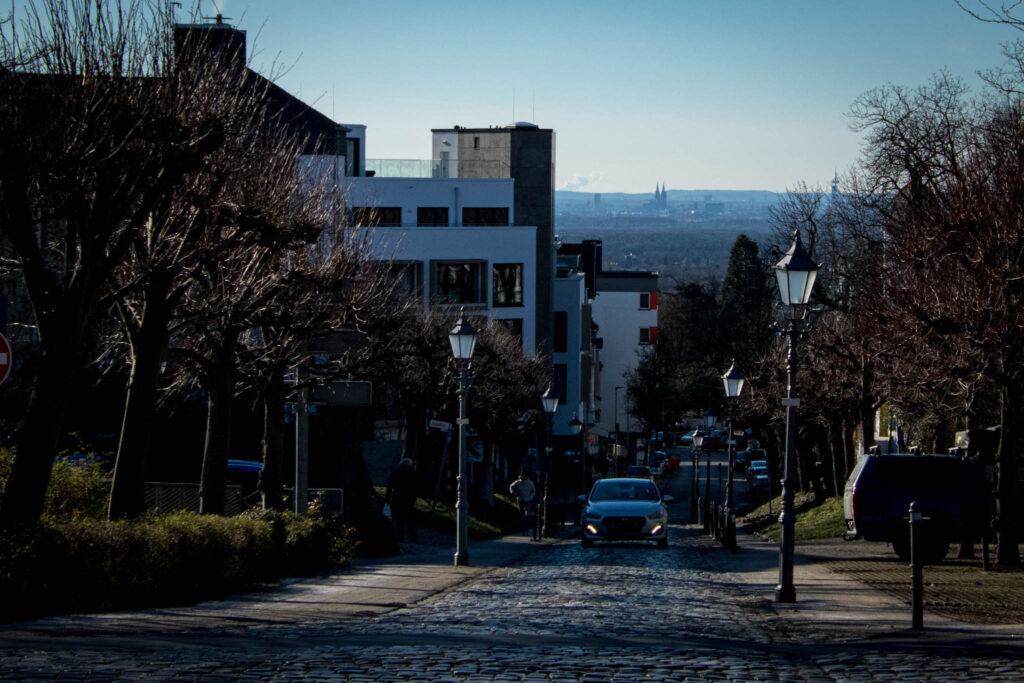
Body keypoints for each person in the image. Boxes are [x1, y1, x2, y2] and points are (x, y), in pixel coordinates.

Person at [386, 458, 417, 542]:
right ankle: (405, 538)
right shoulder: (403, 473)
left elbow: (415, 488)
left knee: (406, 520)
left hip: (404, 498)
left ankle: (409, 538)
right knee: (402, 520)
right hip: (401, 498)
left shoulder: (408, 473)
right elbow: (391, 485)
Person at [509, 471, 536, 536]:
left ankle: (527, 530)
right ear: (520, 476)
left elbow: (533, 491)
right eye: (521, 476)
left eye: (524, 476)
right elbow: (511, 487)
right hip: (520, 500)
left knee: (527, 516)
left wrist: (530, 497)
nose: (523, 477)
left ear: (526, 476)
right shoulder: (517, 482)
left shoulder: (530, 483)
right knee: (522, 515)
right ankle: (523, 530)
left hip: (528, 500)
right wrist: (513, 493)